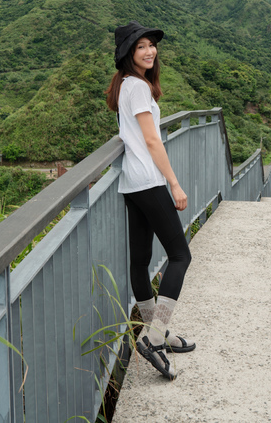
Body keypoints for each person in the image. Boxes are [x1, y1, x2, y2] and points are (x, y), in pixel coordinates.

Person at [106, 21, 195, 380]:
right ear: (128, 53)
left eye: (150, 45)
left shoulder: (125, 86)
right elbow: (152, 141)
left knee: (141, 262)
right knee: (180, 256)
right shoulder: (139, 88)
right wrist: (174, 184)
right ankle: (155, 337)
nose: (148, 51)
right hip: (149, 181)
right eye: (140, 46)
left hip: (132, 183)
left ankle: (154, 332)